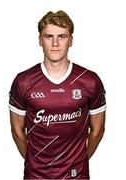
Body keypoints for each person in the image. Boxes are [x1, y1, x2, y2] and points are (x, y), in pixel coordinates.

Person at [9, 10, 106, 179]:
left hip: (76, 175)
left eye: (62, 36)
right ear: (40, 40)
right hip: (36, 176)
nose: (55, 43)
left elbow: (97, 130)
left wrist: (78, 161)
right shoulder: (23, 81)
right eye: (48, 36)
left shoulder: (90, 81)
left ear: (71, 41)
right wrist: (35, 162)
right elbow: (17, 130)